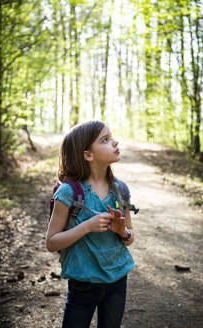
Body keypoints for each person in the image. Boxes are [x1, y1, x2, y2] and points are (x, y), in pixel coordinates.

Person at [46, 120, 135, 328]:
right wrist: (86, 226)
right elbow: (51, 243)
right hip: (83, 284)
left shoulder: (120, 189)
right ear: (88, 155)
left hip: (118, 279)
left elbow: (130, 239)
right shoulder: (69, 193)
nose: (115, 142)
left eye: (111, 137)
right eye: (105, 140)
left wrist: (122, 230)